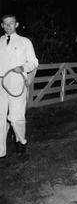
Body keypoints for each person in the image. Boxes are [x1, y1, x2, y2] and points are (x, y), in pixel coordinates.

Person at [0, 14, 38, 161]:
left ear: (16, 25)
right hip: (0, 83)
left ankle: (21, 143)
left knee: (15, 118)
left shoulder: (24, 42)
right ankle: (1, 151)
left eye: (11, 23)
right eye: (5, 24)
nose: (8, 26)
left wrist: (22, 67)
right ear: (2, 26)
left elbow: (34, 62)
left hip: (16, 82)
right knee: (0, 118)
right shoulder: (0, 42)